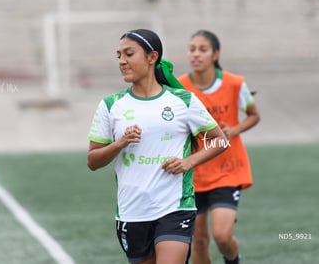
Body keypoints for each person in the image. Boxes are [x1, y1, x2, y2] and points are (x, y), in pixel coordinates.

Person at [87, 29, 229, 264]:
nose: (122, 61)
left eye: (129, 54)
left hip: (175, 207)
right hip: (132, 211)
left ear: (152, 57)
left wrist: (188, 162)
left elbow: (220, 140)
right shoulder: (110, 105)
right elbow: (93, 161)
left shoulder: (183, 100)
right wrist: (119, 143)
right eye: (119, 55)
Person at [177, 30, 260, 264]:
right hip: (195, 173)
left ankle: (234, 259)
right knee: (199, 241)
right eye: (192, 49)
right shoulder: (179, 88)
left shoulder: (235, 83)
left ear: (215, 54)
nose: (196, 54)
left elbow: (254, 115)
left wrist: (234, 130)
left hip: (227, 170)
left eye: (202, 49)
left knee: (223, 237)